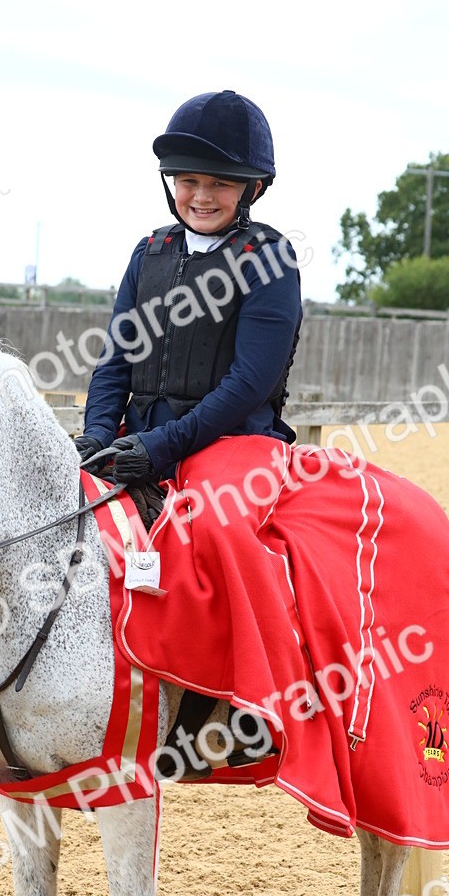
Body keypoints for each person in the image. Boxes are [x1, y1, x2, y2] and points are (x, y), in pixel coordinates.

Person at [74, 89, 303, 780]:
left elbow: (249, 383)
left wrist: (165, 446)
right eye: (189, 181)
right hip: (138, 434)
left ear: (251, 187)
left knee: (221, 533)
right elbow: (116, 355)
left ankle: (242, 712)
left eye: (219, 183)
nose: (201, 195)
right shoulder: (150, 252)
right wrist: (93, 438)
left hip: (230, 441)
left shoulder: (271, 259)